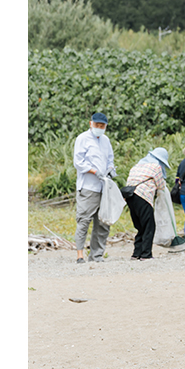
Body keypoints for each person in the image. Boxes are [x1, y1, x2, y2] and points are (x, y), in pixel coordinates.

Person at [73, 112, 117, 264]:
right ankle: (80, 255)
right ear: (91, 124)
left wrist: (110, 169)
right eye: (97, 125)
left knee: (103, 222)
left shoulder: (105, 140)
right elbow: (78, 162)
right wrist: (94, 171)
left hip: (103, 187)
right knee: (84, 220)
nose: (99, 127)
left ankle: (96, 255)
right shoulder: (82, 138)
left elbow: (110, 159)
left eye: (102, 125)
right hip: (88, 186)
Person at [124, 148, 170, 260]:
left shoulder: (136, 166)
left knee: (140, 226)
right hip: (143, 196)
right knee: (149, 226)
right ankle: (146, 254)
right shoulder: (156, 167)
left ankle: (136, 254)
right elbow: (160, 185)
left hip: (129, 197)